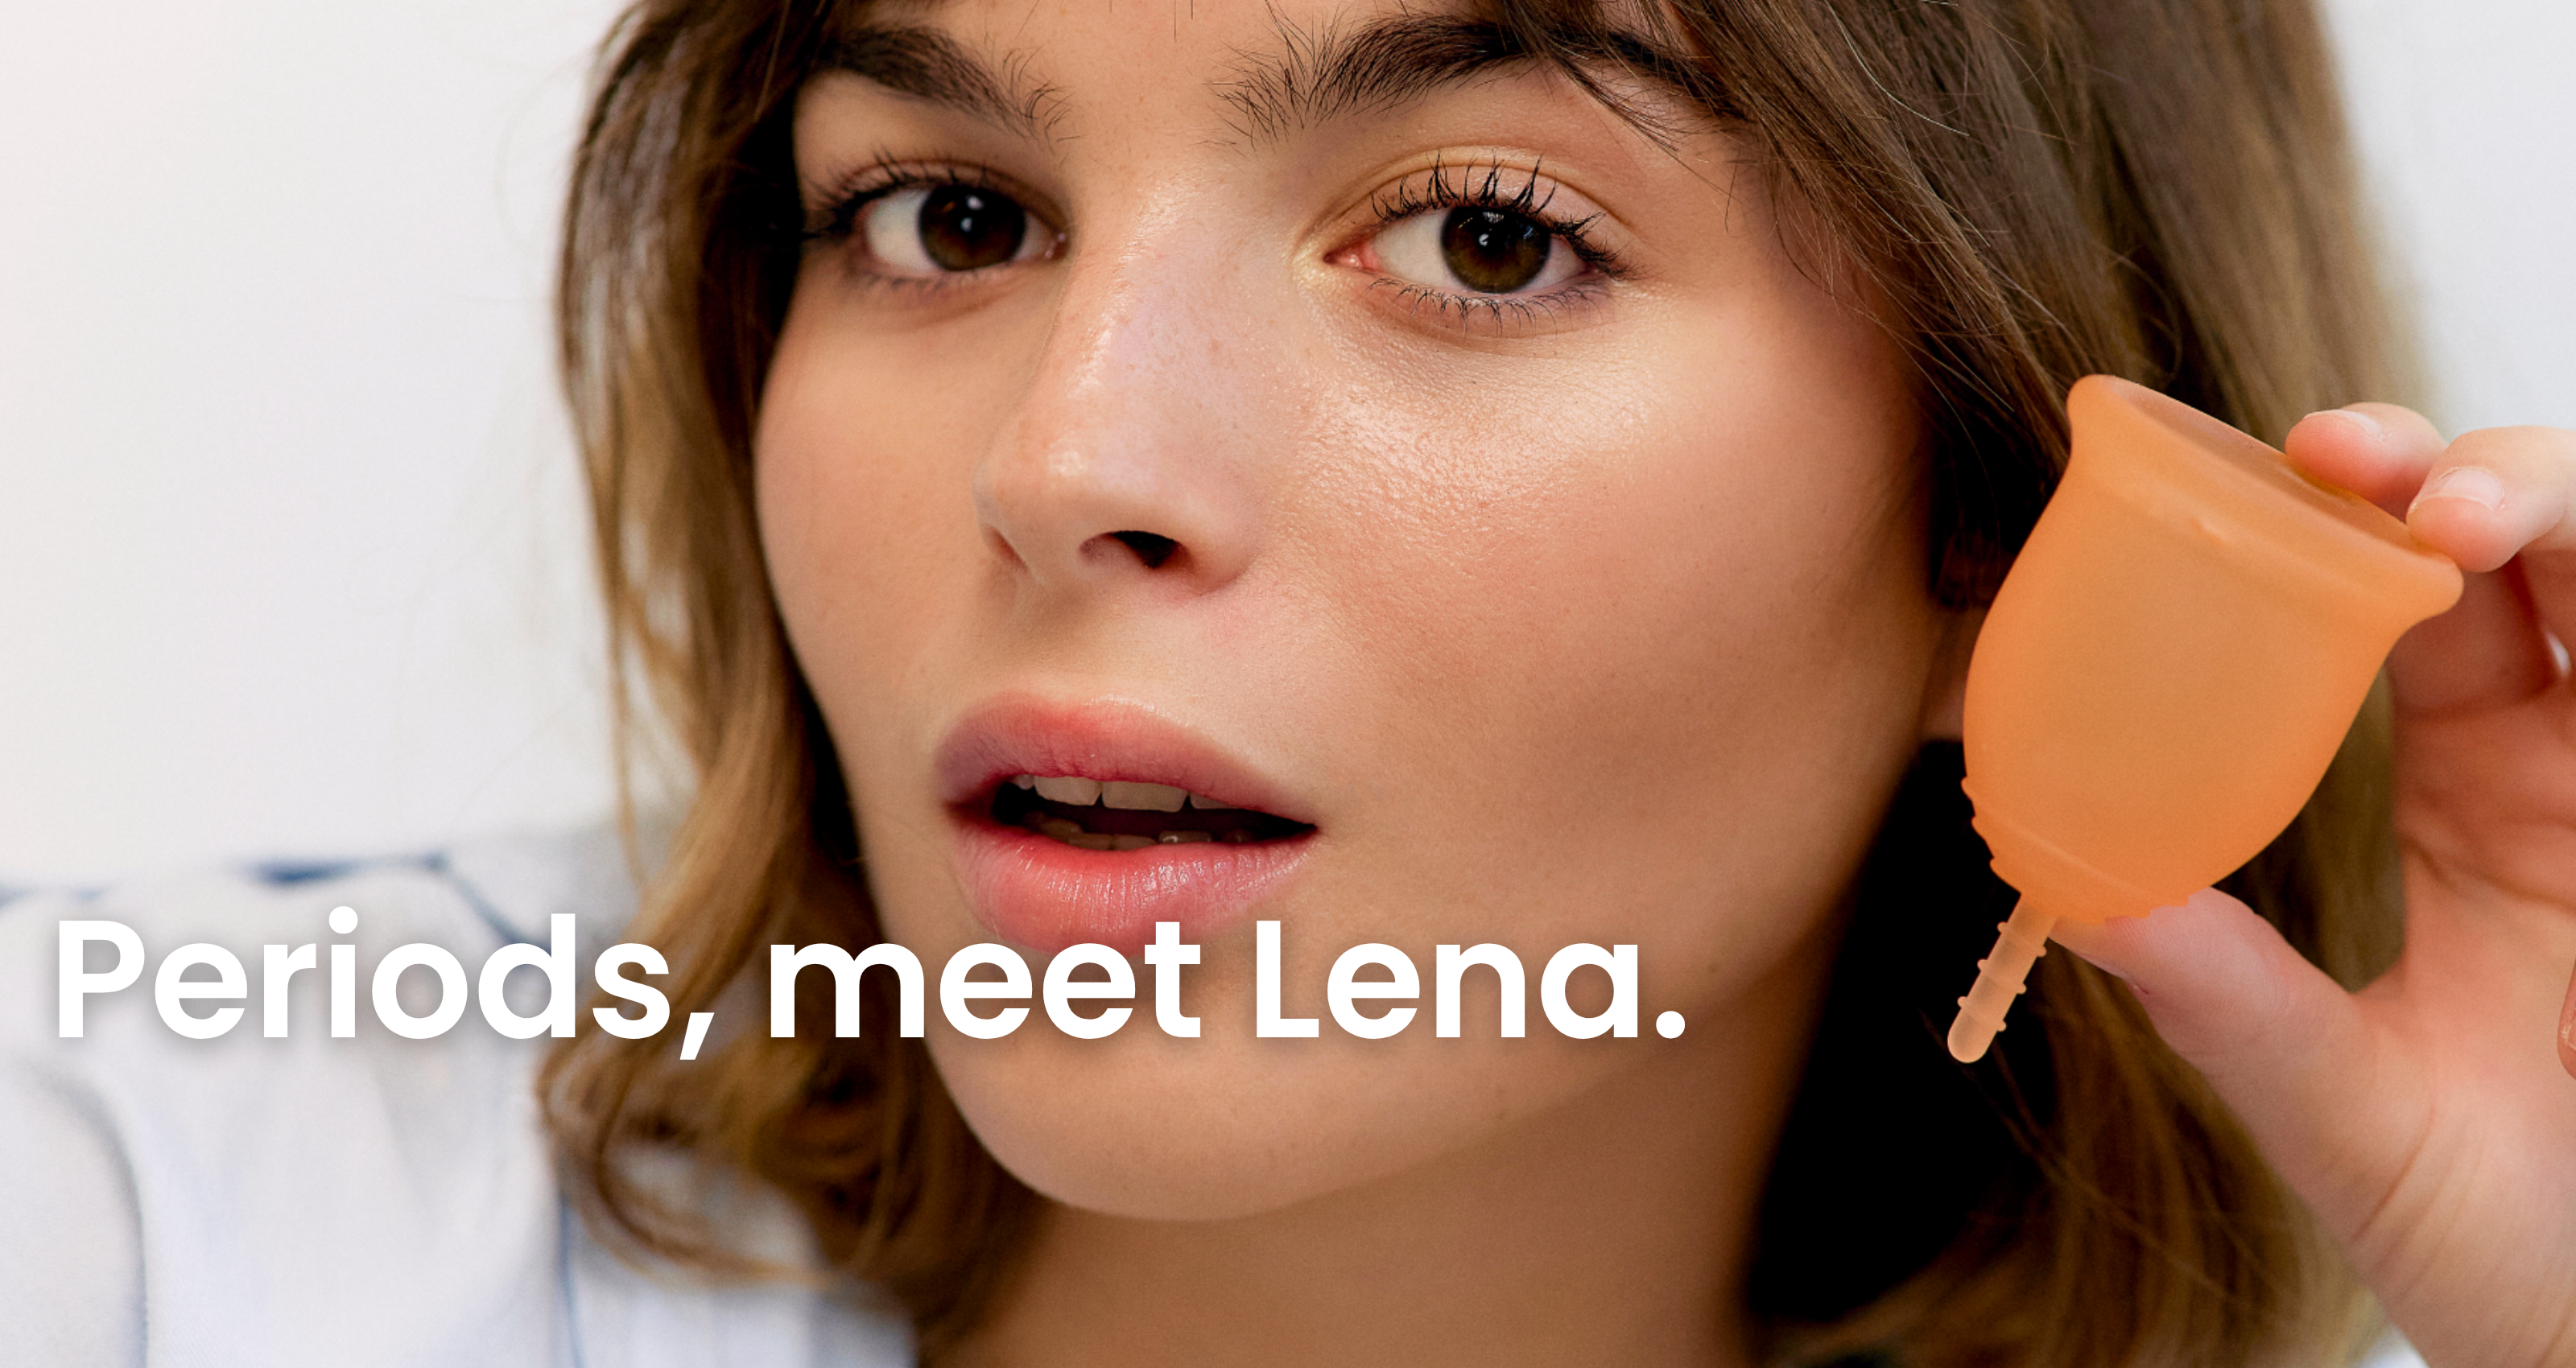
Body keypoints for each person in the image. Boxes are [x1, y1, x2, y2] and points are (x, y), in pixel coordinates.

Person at [3, 0, 2570, 1366]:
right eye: (948, 207)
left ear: (2012, 522)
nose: (1069, 454)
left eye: (1478, 236)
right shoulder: (150, 1195)